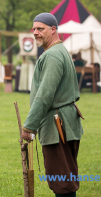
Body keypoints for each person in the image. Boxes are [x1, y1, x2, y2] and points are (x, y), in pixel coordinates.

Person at [22, 13, 84, 197]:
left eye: (40, 29)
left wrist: (30, 125)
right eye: (34, 29)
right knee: (65, 177)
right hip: (64, 121)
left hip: (58, 125)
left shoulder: (52, 56)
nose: (35, 33)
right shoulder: (59, 51)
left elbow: (45, 94)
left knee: (62, 181)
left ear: (53, 29)